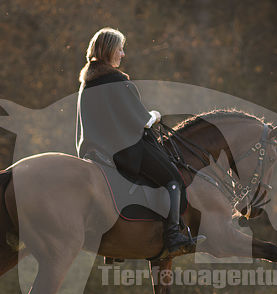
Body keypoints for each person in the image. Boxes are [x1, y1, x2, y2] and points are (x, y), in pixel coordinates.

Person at [76, 27, 203, 257]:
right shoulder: (116, 81)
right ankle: (174, 235)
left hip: (96, 151)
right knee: (173, 178)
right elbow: (142, 121)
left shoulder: (88, 82)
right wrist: (155, 115)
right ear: (108, 51)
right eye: (120, 49)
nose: (123, 55)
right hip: (126, 150)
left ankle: (117, 247)